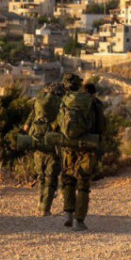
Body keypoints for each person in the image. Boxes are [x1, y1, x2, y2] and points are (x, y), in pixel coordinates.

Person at [56, 73, 107, 231]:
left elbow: (57, 124)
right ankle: (79, 220)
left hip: (69, 145)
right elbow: (101, 127)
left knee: (69, 179)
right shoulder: (94, 103)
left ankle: (68, 214)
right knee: (83, 184)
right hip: (86, 146)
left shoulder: (66, 100)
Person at [24, 82, 63, 217]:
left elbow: (27, 125)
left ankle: (40, 204)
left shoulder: (38, 102)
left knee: (41, 176)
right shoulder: (61, 103)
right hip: (53, 145)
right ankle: (45, 209)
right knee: (51, 178)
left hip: (38, 142)